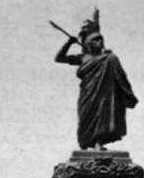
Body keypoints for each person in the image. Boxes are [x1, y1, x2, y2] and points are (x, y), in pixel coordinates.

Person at [55, 9, 138, 150]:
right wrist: (69, 43)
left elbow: (121, 77)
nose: (99, 42)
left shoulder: (110, 58)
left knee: (104, 115)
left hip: (105, 94)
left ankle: (99, 143)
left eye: (101, 39)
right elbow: (59, 58)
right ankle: (89, 144)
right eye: (95, 40)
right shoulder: (83, 58)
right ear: (88, 43)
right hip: (88, 94)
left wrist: (127, 95)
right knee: (86, 119)